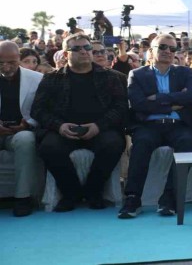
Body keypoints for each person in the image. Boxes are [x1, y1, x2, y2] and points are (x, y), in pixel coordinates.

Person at [31, 33, 128, 212]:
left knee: (113, 144)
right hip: (63, 130)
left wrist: (99, 126)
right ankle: (71, 193)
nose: (84, 51)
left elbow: (121, 107)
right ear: (65, 54)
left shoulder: (110, 77)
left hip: (100, 129)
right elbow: (38, 110)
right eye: (76, 48)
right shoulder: (52, 78)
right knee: (48, 147)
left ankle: (94, 191)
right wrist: (59, 126)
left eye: (87, 47)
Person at [119, 34, 192, 219]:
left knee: (187, 142)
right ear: (150, 51)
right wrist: (173, 103)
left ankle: (169, 197)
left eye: (172, 48)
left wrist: (157, 98)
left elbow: (190, 96)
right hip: (149, 125)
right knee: (141, 145)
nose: (168, 51)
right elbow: (138, 104)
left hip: (179, 125)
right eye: (163, 47)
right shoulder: (137, 74)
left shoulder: (185, 72)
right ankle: (133, 198)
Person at [0, 41, 43, 216]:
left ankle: (22, 198)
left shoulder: (37, 79)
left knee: (26, 139)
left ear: (19, 58)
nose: (6, 67)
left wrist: (28, 123)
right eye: (1, 63)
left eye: (11, 62)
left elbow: (44, 110)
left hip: (20, 132)